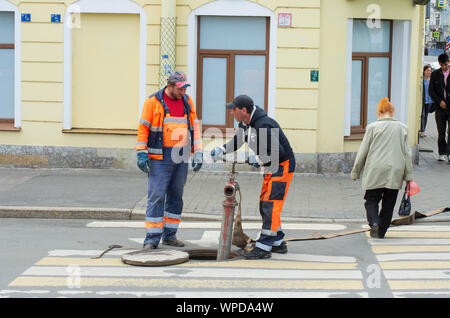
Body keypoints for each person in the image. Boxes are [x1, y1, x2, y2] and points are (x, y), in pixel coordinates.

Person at [210, 95, 296, 259]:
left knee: (270, 205)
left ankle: (263, 248)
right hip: (272, 166)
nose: (231, 113)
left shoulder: (263, 125)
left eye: (233, 110)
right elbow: (238, 141)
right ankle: (277, 242)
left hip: (282, 166)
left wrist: (256, 159)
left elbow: (279, 152)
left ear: (243, 110)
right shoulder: (246, 123)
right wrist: (221, 149)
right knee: (265, 202)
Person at [135, 70, 203, 249]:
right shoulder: (153, 102)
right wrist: (141, 151)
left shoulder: (187, 102)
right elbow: (144, 128)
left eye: (184, 89)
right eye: (180, 89)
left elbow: (194, 127)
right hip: (160, 156)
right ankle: (151, 239)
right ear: (170, 86)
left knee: (176, 195)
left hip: (181, 155)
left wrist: (198, 151)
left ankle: (170, 235)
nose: (183, 92)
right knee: (157, 195)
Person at [351, 97, 413, 239]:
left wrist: (356, 171)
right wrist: (409, 177)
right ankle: (381, 231)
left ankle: (374, 222)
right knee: (389, 203)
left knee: (371, 199)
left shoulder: (372, 128)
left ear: (379, 112)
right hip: (395, 170)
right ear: (392, 112)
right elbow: (407, 153)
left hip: (375, 169)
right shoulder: (402, 128)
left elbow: (363, 151)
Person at [428, 53, 450, 162]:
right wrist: (439, 101)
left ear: (448, 62)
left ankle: (449, 154)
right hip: (440, 107)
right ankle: (442, 152)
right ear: (439, 64)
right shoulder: (435, 74)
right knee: (441, 131)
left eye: (445, 64)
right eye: (442, 65)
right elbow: (431, 91)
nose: (444, 67)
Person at [420, 65, 434, 137]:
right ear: (424, 71)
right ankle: (422, 130)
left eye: (430, 70)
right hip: (422, 100)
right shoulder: (421, 80)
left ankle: (423, 130)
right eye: (428, 70)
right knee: (422, 115)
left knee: (426, 116)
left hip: (429, 101)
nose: (429, 72)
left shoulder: (432, 80)